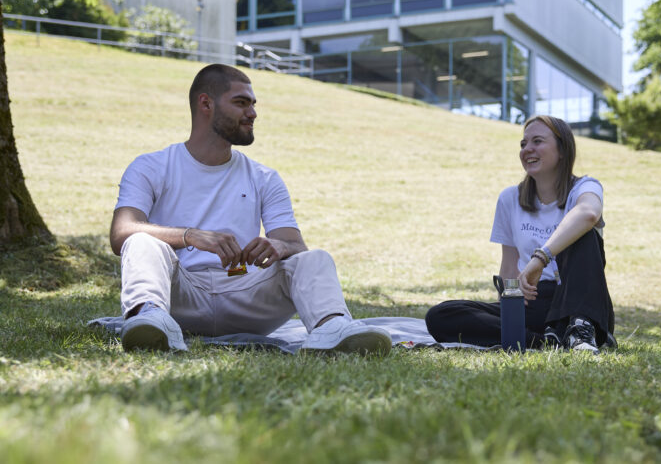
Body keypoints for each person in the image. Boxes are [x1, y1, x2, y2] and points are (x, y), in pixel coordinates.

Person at [109, 63, 391, 355]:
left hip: (247, 296)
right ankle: (150, 321)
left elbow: (296, 245)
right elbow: (121, 233)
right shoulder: (151, 166)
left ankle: (333, 328)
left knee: (314, 258)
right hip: (180, 297)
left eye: (253, 104)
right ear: (205, 103)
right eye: (241, 103)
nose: (253, 113)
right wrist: (191, 236)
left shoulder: (264, 177)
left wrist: (278, 246)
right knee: (140, 240)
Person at [425, 115, 616, 353]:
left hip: (577, 298)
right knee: (441, 315)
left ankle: (579, 330)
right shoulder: (510, 199)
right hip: (535, 302)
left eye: (537, 141)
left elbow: (588, 214)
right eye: (523, 144)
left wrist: (541, 258)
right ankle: (544, 341)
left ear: (563, 150)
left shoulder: (585, 188)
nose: (527, 149)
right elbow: (509, 266)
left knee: (583, 232)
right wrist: (511, 303)